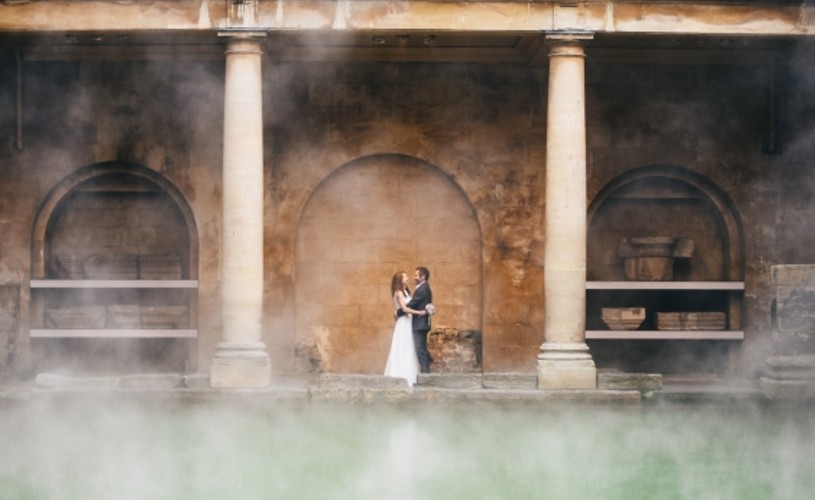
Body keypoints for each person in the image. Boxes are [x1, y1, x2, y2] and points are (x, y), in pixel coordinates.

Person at [383, 271, 427, 385]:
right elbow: (405, 309)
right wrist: (420, 312)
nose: (408, 278)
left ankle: (411, 377)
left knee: (410, 347)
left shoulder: (406, 292)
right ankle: (401, 375)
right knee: (403, 347)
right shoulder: (398, 293)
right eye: (405, 276)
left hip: (409, 322)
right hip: (403, 323)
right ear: (400, 280)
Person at [406, 266, 433, 373]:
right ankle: (425, 372)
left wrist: (400, 311)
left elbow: (414, 302)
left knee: (420, 350)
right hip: (420, 323)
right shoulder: (423, 287)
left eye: (416, 275)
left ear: (423, 276)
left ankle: (426, 375)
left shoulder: (423, 288)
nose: (414, 277)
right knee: (421, 349)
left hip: (420, 324)